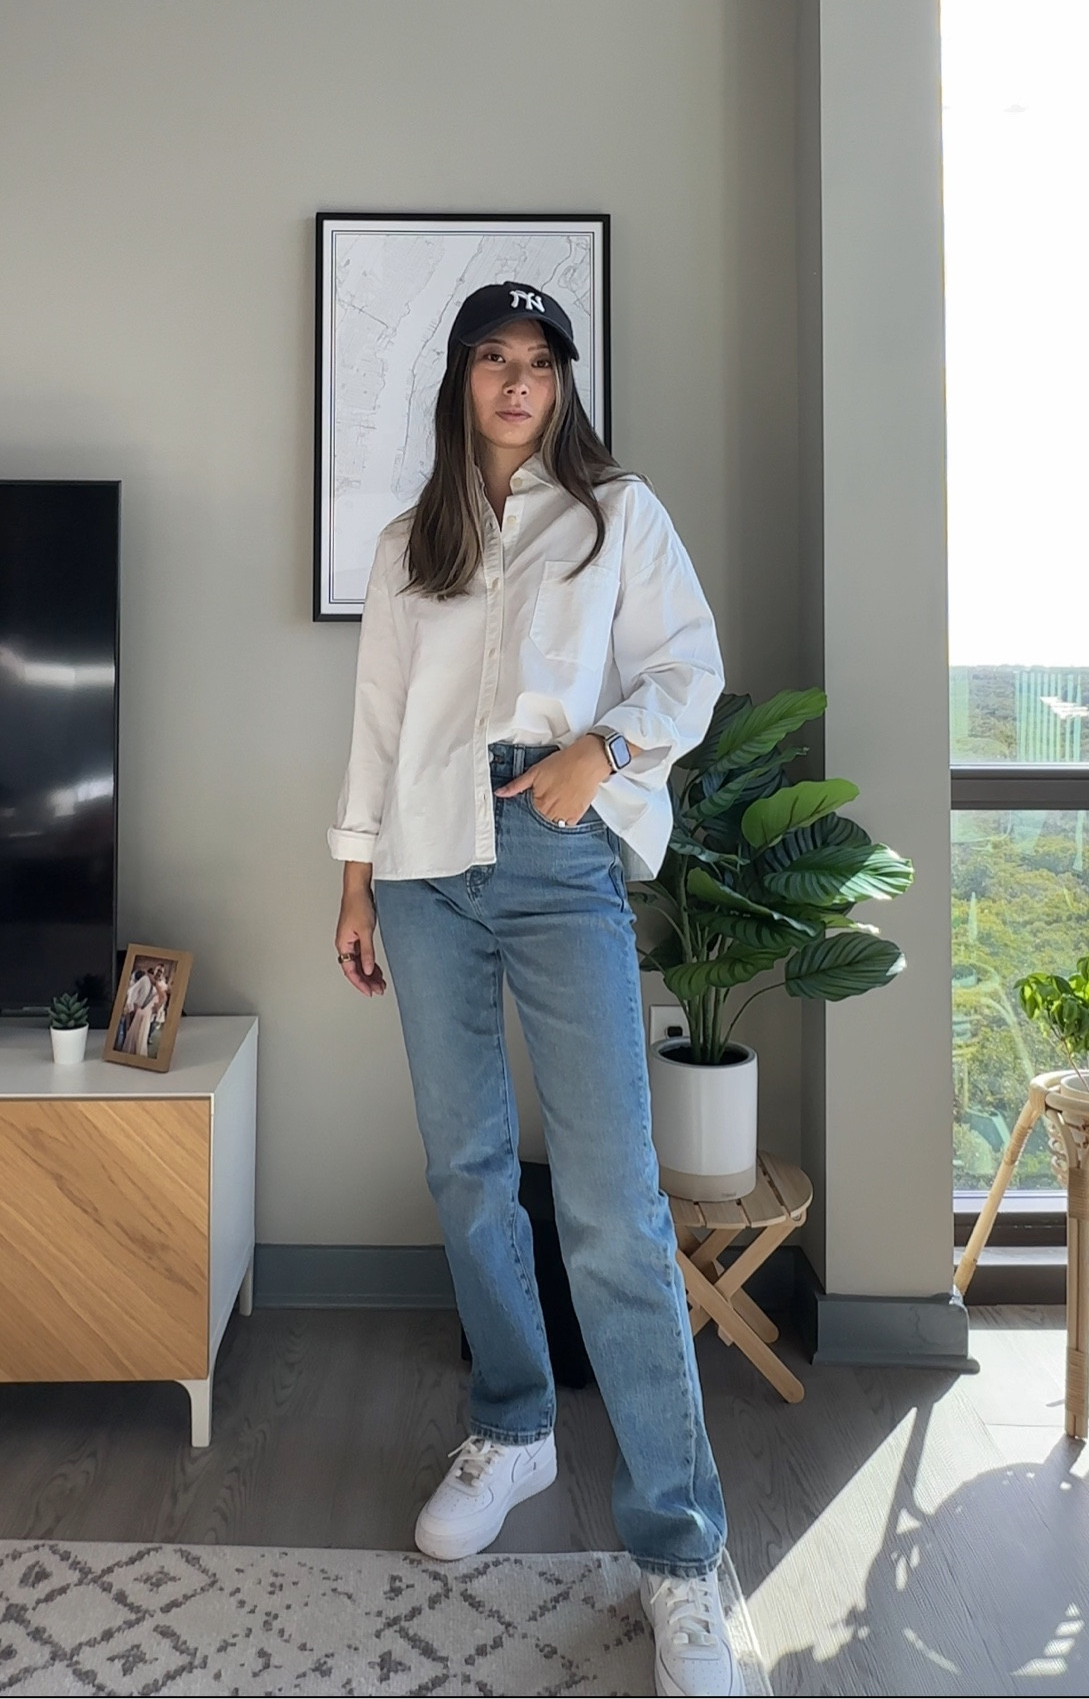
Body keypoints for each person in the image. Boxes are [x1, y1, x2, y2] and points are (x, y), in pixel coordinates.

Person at [331, 283, 739, 1698]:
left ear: (562, 382)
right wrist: (352, 875)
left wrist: (602, 759)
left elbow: (689, 670)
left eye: (537, 362)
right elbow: (379, 719)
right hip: (423, 868)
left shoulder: (616, 512)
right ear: (458, 382)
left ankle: (681, 1558)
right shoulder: (411, 544)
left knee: (611, 1206)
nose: (516, 382)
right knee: (462, 1166)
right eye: (491, 361)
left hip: (559, 852)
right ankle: (512, 1425)